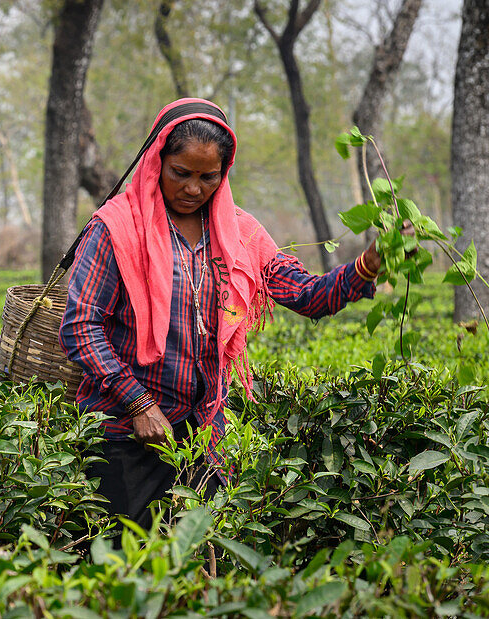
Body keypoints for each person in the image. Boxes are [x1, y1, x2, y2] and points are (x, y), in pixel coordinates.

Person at [59, 98, 386, 531]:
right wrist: (138, 403)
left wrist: (369, 264)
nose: (193, 188)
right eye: (181, 173)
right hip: (123, 437)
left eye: (207, 177)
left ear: (223, 174)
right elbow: (81, 326)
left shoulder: (239, 233)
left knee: (195, 572)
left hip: (201, 440)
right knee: (122, 569)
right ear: (158, 162)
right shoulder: (116, 226)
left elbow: (308, 294)